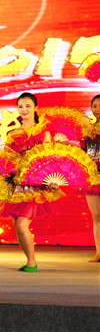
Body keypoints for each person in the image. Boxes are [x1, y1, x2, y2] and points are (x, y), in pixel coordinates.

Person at [0, 92, 62, 272]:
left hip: (36, 185)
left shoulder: (43, 132)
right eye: (20, 107)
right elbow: (7, 160)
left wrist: (51, 179)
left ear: (36, 108)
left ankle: (32, 262)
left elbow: (47, 158)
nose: (24, 110)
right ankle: (29, 260)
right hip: (17, 185)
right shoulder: (13, 134)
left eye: (28, 106)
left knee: (22, 223)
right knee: (17, 225)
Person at [82, 95, 100, 262]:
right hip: (93, 176)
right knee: (96, 216)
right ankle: (99, 252)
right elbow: (83, 152)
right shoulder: (88, 130)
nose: (97, 109)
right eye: (94, 106)